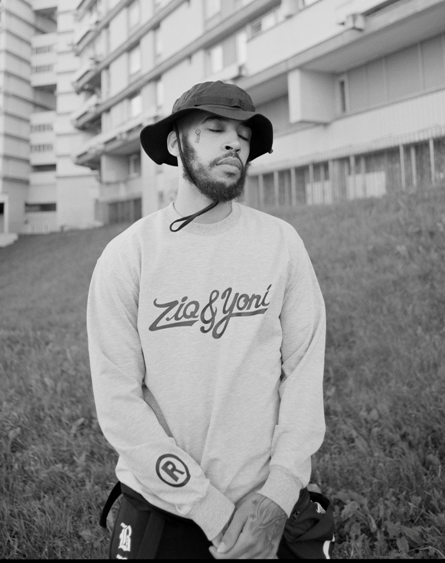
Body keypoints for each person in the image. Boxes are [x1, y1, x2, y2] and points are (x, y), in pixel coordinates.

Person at [87, 81, 333, 559]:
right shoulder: (128, 255)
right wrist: (212, 512)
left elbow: (304, 372)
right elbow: (119, 402)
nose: (233, 143)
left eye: (243, 135)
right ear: (175, 142)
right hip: (165, 508)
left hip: (268, 505)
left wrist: (279, 493)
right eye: (215, 129)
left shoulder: (281, 243)